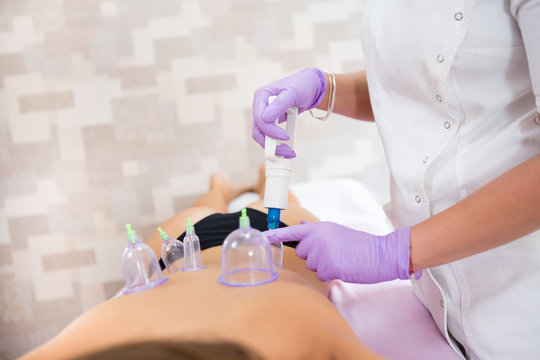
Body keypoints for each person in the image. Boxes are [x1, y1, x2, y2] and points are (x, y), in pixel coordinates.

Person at [252, 2, 540, 359]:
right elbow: (422, 88)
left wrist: (392, 252)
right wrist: (327, 89)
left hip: (524, 301)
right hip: (436, 298)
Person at [20, 169, 382, 360]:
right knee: (270, 200)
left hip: (206, 246)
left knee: (251, 205)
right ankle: (239, 184)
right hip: (197, 244)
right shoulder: (91, 342)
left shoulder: (295, 329)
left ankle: (227, 185)